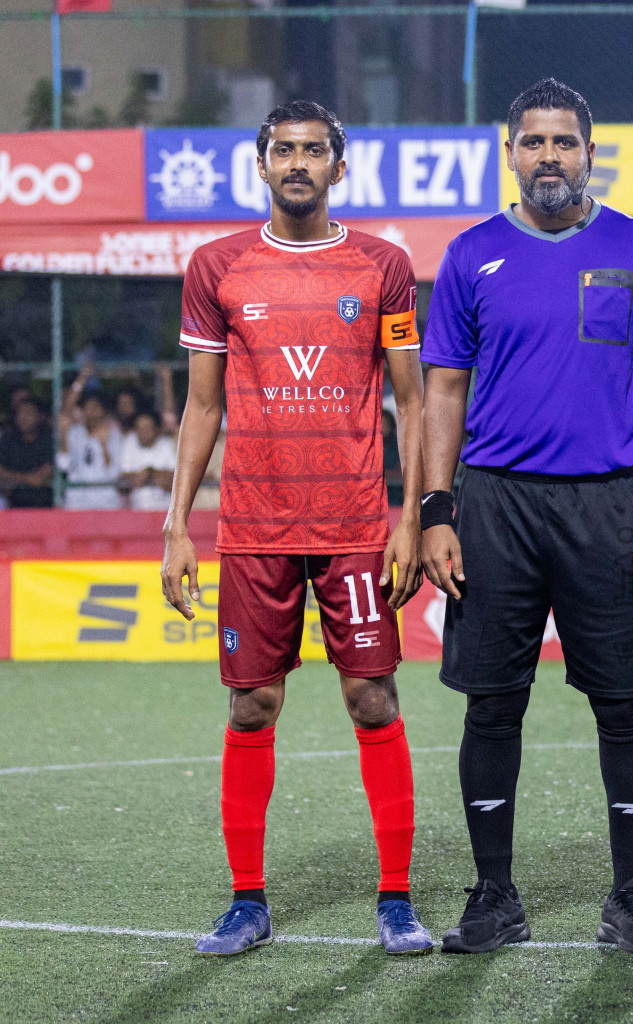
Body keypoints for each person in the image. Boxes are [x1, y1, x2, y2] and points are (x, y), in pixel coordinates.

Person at [420, 79, 633, 956]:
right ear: (510, 154)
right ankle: (493, 896)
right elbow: (442, 393)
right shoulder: (469, 255)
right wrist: (435, 509)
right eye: (532, 142)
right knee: (492, 708)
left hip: (611, 506)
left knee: (625, 707)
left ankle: (631, 898)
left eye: (564, 142)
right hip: (495, 503)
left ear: (589, 150)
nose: (549, 157)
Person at [160, 100, 431, 957]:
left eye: (315, 151)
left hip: (353, 522)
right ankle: (248, 901)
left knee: (373, 697)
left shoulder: (382, 265)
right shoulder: (217, 266)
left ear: (339, 168)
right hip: (251, 526)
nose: (299, 163)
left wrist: (413, 517)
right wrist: (177, 527)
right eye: (284, 150)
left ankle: (395, 900)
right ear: (263, 164)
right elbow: (203, 407)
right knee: (252, 707)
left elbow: (413, 400)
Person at [58, 381, 123, 509]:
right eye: (88, 408)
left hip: (106, 501)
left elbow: (113, 474)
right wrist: (63, 436)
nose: (91, 412)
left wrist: (104, 446)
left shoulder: (114, 435)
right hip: (76, 501)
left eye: (95, 408)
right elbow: (63, 465)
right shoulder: (74, 433)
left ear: (103, 411)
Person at [0, 395, 55, 508]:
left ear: (40, 416)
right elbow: (1, 472)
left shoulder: (49, 438)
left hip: (45, 504)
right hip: (14, 503)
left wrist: (13, 477)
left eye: (28, 413)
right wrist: (28, 478)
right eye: (20, 413)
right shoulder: (8, 438)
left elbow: (47, 473)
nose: (22, 418)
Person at [119, 411, 176, 511]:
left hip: (165, 512)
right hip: (136, 512)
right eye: (139, 429)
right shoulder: (130, 443)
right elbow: (123, 476)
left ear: (157, 429)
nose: (143, 433)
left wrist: (149, 472)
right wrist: (152, 476)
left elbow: (175, 478)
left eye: (147, 429)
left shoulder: (168, 445)